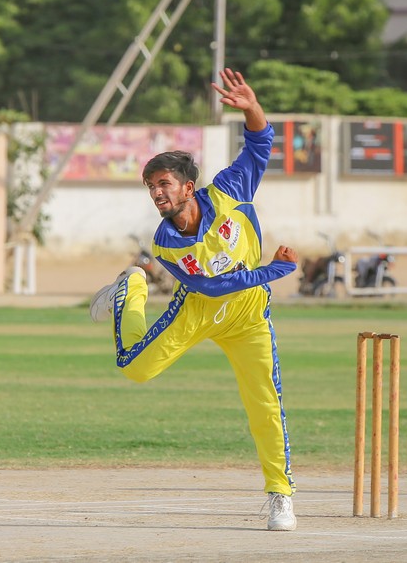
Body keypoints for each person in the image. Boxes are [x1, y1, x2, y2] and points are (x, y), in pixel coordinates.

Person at [89, 68, 300, 531]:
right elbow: (211, 287)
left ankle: (280, 495)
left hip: (249, 319)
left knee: (265, 404)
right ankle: (133, 287)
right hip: (198, 311)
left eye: (164, 184)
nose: (157, 193)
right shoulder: (166, 241)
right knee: (134, 368)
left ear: (188, 187)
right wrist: (275, 271)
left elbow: (260, 144)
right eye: (151, 187)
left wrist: (252, 108)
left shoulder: (229, 190)